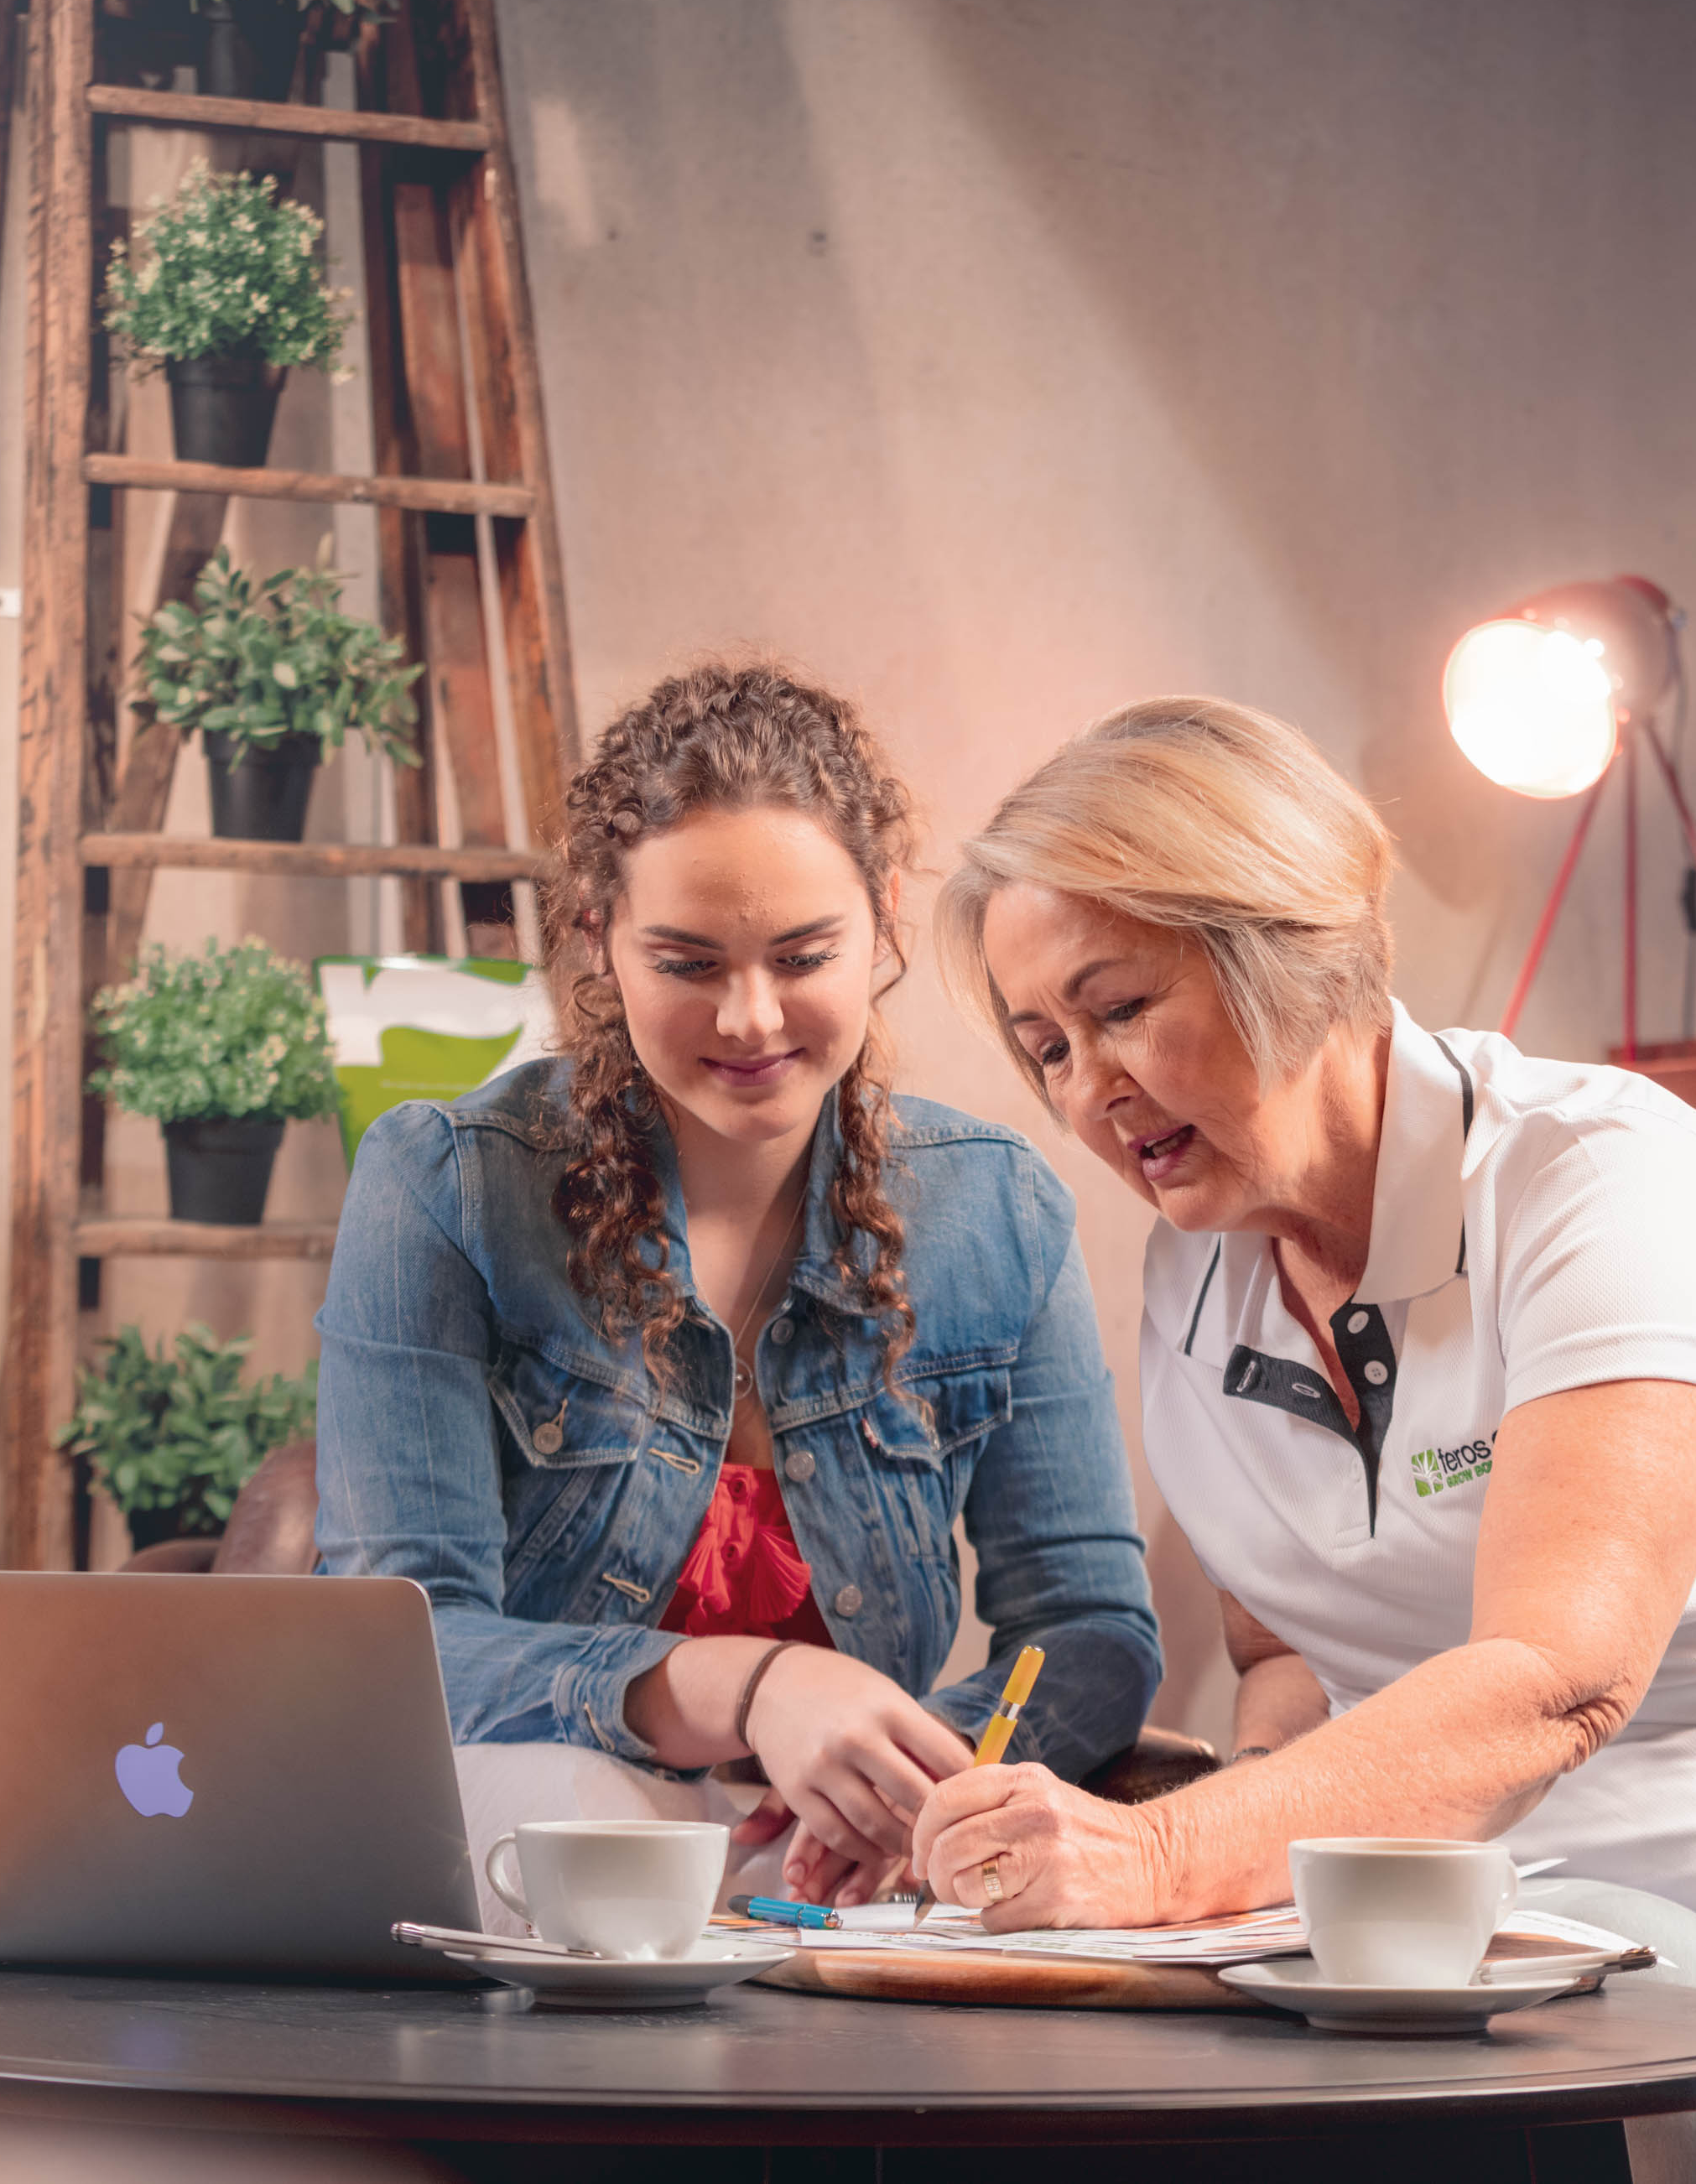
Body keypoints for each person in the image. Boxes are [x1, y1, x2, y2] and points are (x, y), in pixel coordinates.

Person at [913, 697, 1696, 2184]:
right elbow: (1292, 1646)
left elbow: (1557, 1677)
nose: (1083, 1091)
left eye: (1118, 1009)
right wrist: (1253, 1814)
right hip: (1560, 1899)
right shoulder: (1196, 1280)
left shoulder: (1597, 1172)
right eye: (1042, 1044)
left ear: (1289, 945)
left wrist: (1166, 1857)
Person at [315, 663, 1161, 1913]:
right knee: (613, 1859)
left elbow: (1089, 1635)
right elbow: (402, 1644)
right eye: (688, 961)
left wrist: (912, 1791)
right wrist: (759, 1690)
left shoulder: (998, 1208)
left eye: (804, 955)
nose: (751, 1017)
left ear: (882, 920)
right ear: (602, 938)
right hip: (548, 1801)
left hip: (836, 1851)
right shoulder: (444, 1186)